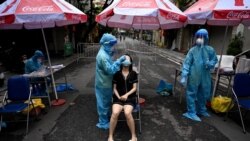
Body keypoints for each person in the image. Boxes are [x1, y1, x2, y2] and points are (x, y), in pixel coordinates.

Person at [180, 29, 218, 122]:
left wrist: (210, 64)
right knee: (191, 93)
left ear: (206, 38)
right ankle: (191, 112)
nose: (200, 39)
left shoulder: (210, 49)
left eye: (202, 37)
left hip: (205, 75)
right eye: (199, 36)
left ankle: (201, 109)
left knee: (203, 93)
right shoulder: (192, 50)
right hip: (194, 75)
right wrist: (184, 75)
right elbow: (187, 63)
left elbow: (215, 59)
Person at [95, 33, 126, 129]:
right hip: (103, 83)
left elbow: (109, 62)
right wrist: (119, 61)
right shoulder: (102, 56)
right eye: (111, 45)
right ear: (106, 44)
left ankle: (106, 117)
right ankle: (103, 122)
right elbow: (110, 70)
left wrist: (112, 55)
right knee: (103, 103)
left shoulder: (105, 52)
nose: (112, 47)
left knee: (107, 101)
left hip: (106, 82)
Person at [108, 54, 138, 141]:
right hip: (118, 98)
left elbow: (135, 88)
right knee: (115, 113)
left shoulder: (133, 74)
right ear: (121, 62)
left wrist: (126, 95)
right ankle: (110, 136)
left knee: (127, 113)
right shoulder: (116, 74)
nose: (126, 61)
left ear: (130, 62)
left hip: (130, 98)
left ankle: (133, 136)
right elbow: (114, 88)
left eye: (127, 59)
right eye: (124, 59)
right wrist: (119, 96)